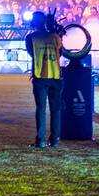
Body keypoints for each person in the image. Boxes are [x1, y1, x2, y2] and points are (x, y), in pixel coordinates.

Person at [24, 10, 64, 149]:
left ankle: (40, 140)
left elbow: (31, 53)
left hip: (40, 76)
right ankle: (54, 140)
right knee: (55, 110)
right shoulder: (56, 36)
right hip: (56, 76)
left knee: (40, 109)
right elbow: (61, 53)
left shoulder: (30, 38)